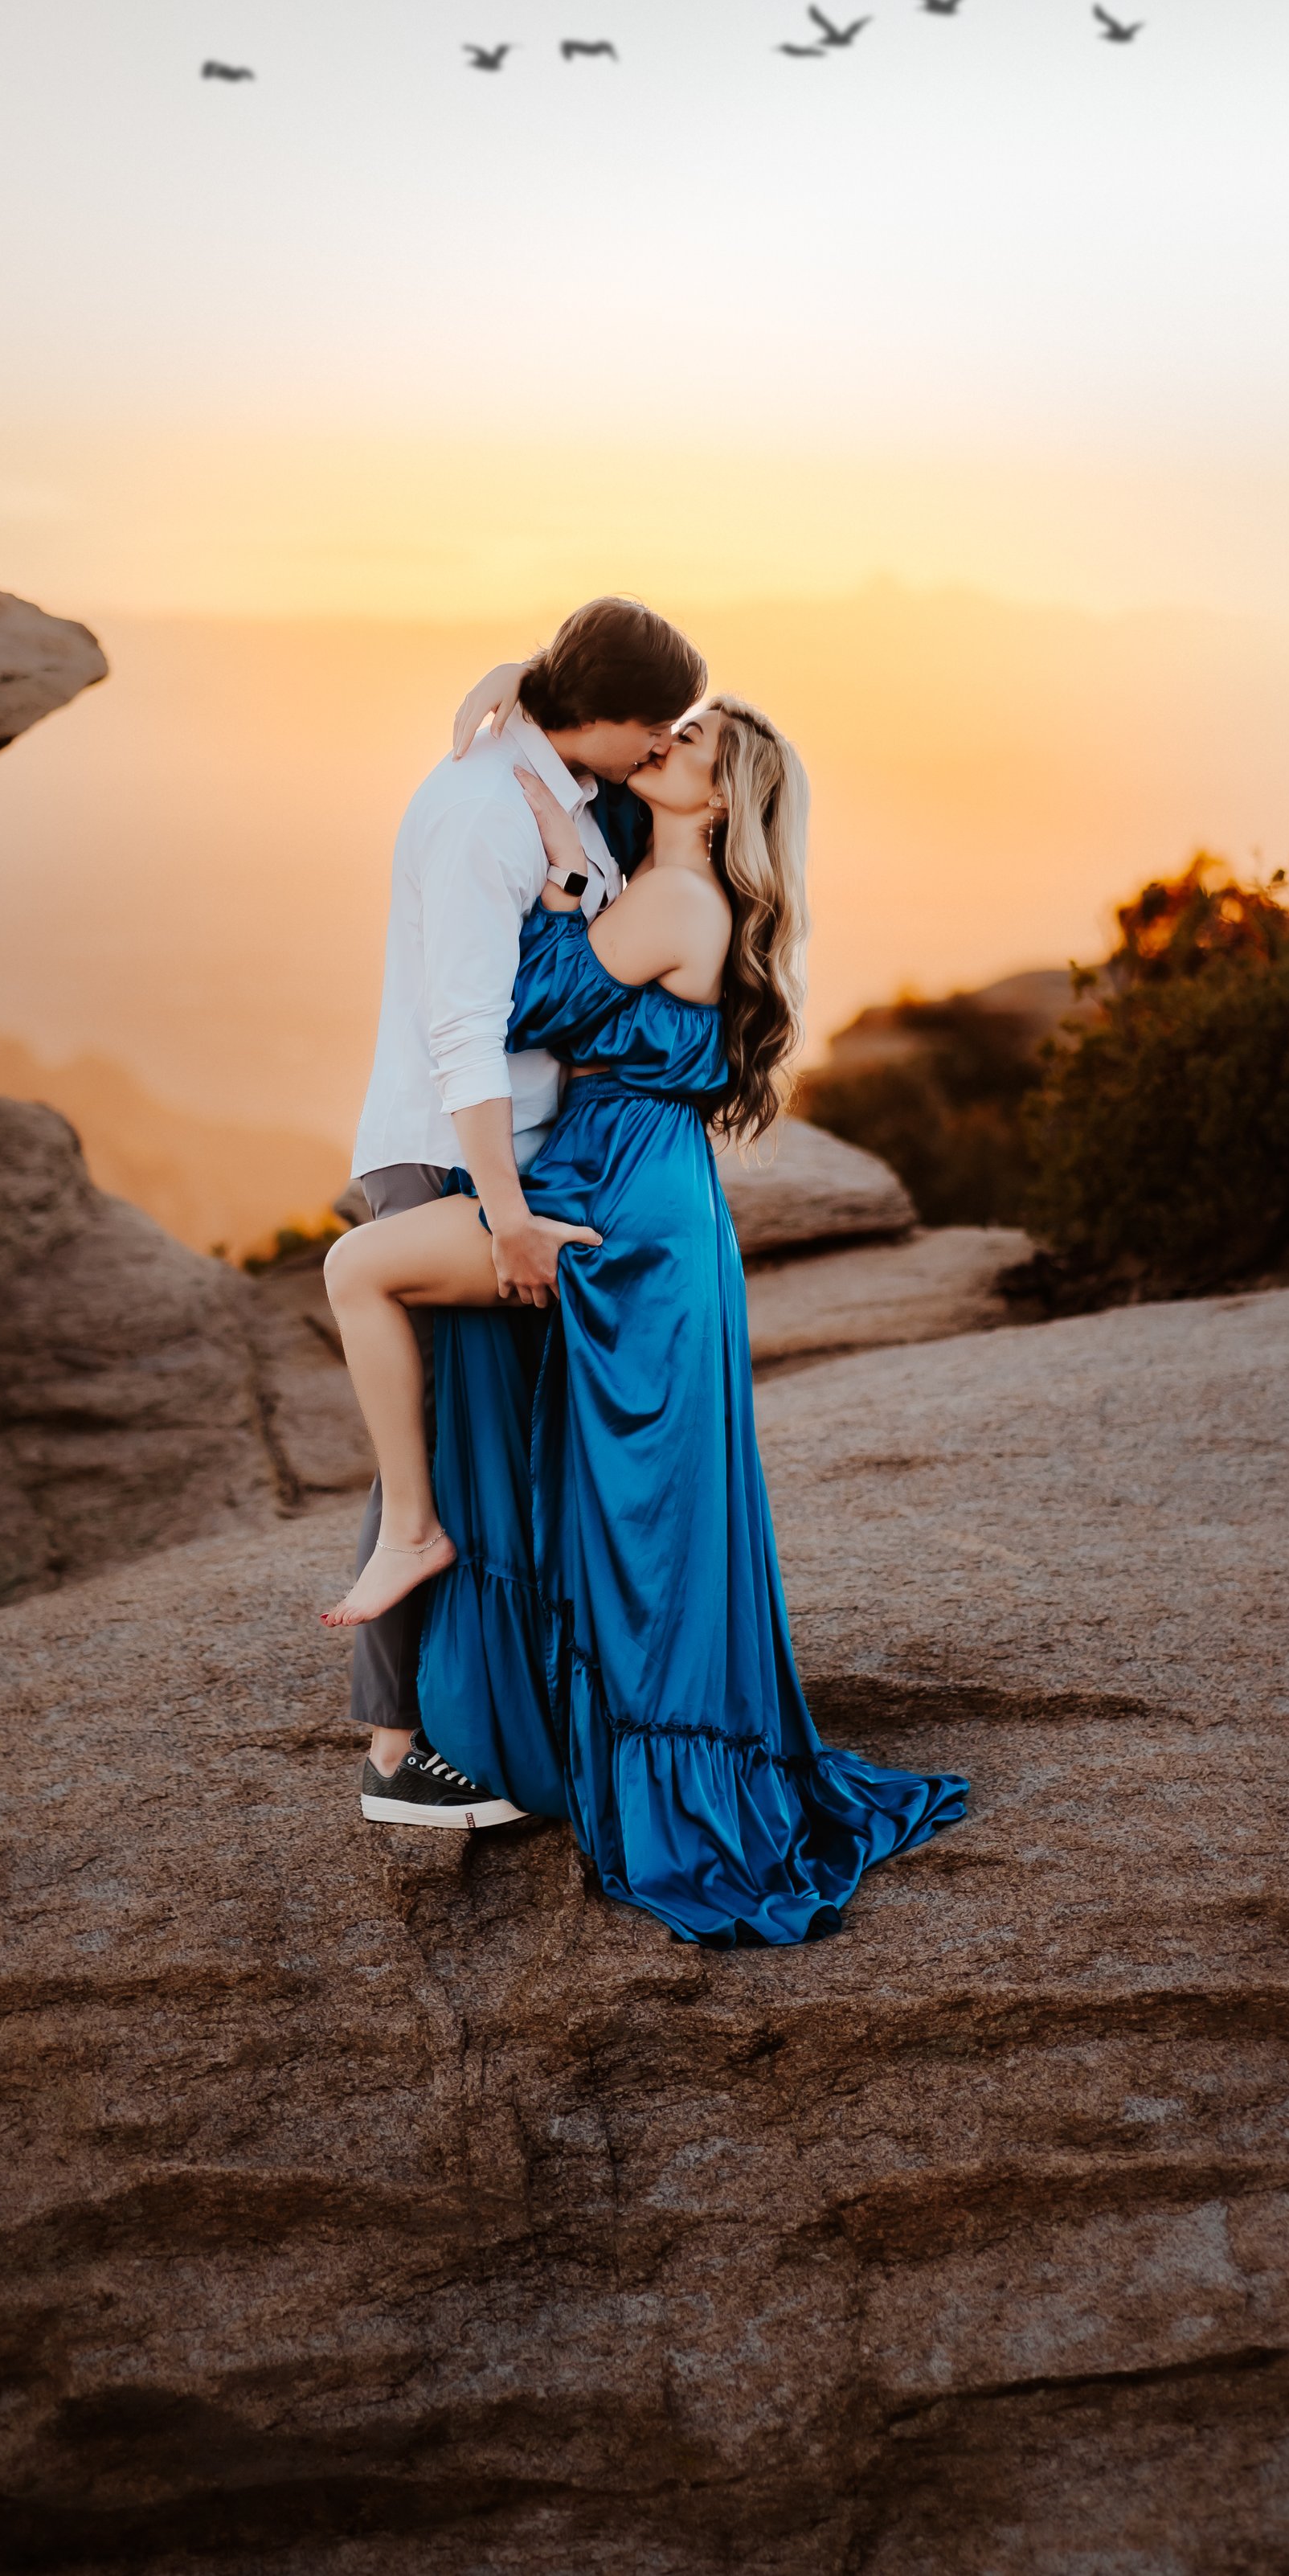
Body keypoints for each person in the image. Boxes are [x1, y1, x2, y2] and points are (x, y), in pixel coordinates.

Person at [322, 690, 968, 1943]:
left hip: (625, 1205)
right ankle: (536, 1709)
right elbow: (591, 718)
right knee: (611, 1491)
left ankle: (427, 1549)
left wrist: (562, 875)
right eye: (667, 731)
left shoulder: (673, 900)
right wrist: (528, 692)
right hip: (632, 1184)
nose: (666, 744)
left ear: (723, 800)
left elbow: (523, 996)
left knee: (379, 1280)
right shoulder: (658, 871)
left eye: (695, 747)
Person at [338, 595, 708, 1828]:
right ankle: (399, 1750)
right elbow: (464, 1033)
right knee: (431, 1458)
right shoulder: (479, 811)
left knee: (469, 1455)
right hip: (454, 1160)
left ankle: (464, 1715)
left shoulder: (557, 777)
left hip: (525, 1168)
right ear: (596, 716)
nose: (660, 748)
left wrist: (509, 676)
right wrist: (499, 1208)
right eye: (649, 730)